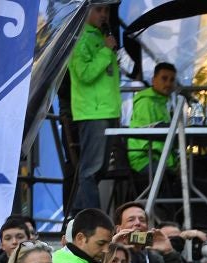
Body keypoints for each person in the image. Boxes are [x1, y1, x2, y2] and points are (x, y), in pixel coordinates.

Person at [67, 2, 122, 213]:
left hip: (106, 111)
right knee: (91, 170)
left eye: (106, 10)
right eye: (99, 10)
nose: (104, 15)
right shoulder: (80, 39)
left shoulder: (101, 37)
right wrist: (106, 52)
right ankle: (92, 219)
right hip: (92, 112)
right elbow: (85, 74)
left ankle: (78, 216)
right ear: (87, 11)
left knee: (99, 170)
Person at [127, 62, 178, 182]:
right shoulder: (146, 103)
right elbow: (151, 139)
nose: (168, 83)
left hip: (156, 157)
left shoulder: (162, 102)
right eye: (164, 79)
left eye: (172, 80)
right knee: (172, 176)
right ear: (153, 80)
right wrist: (173, 165)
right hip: (143, 159)